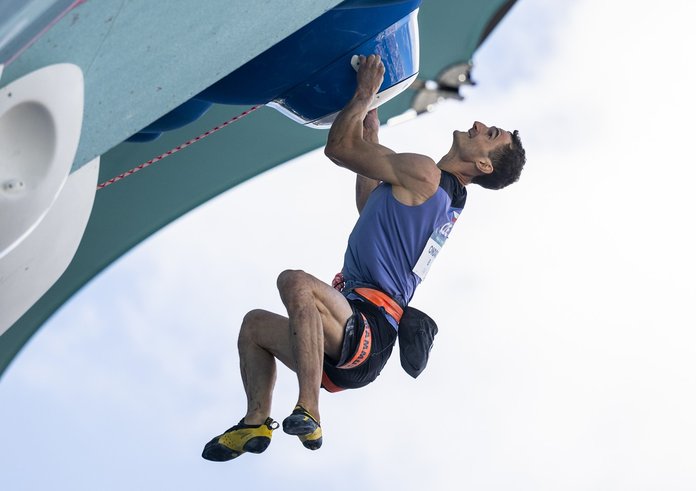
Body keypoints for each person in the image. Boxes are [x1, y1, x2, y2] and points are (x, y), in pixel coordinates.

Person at [202, 54, 526, 461]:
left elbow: (338, 148)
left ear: (482, 163)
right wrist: (370, 128)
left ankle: (309, 409)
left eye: (490, 132)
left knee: (296, 282)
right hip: (355, 338)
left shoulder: (427, 175)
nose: (479, 124)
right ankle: (254, 423)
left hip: (368, 330)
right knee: (254, 328)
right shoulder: (440, 195)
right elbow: (369, 206)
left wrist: (364, 94)